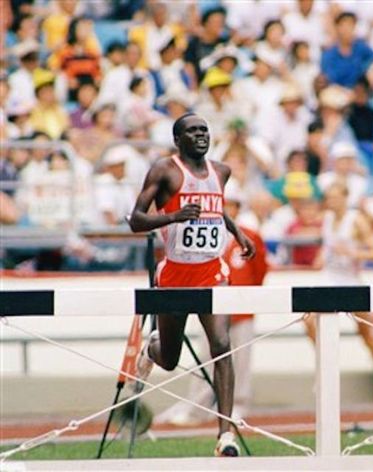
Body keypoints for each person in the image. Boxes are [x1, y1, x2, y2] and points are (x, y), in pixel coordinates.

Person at [127, 113, 255, 457]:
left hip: (212, 274)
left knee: (222, 345)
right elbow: (136, 221)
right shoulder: (164, 170)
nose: (201, 135)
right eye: (192, 131)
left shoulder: (221, 171)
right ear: (178, 139)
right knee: (169, 359)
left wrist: (236, 231)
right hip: (174, 276)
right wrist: (172, 216)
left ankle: (224, 435)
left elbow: (215, 210)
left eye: (204, 130)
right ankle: (150, 348)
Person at [303, 182, 373, 405]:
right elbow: (328, 243)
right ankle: (326, 368)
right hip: (329, 278)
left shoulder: (356, 220)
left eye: (334, 197)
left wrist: (352, 252)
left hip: (350, 281)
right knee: (309, 320)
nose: (330, 202)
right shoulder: (328, 219)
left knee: (367, 336)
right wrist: (323, 255)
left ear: (345, 197)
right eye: (328, 198)